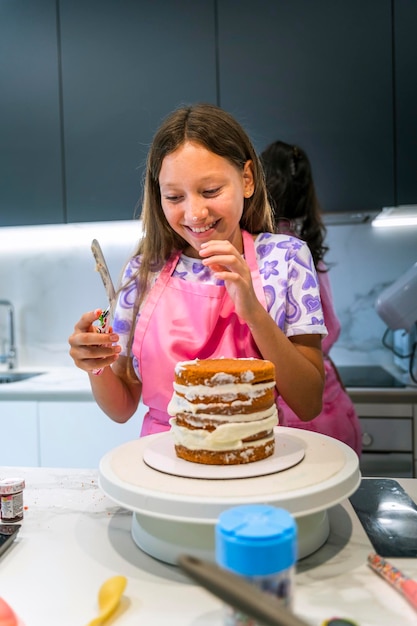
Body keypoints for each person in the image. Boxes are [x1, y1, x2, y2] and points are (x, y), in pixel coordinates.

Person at [68, 103, 327, 437]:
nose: (195, 213)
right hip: (163, 464)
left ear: (246, 179)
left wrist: (252, 310)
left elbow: (308, 402)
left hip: (251, 465)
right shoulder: (144, 270)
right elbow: (122, 407)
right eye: (175, 196)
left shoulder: (286, 258)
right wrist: (96, 364)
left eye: (210, 191)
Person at [260, 139, 362, 456]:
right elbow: (328, 327)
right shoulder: (307, 250)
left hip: (291, 416)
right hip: (333, 407)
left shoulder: (270, 257)